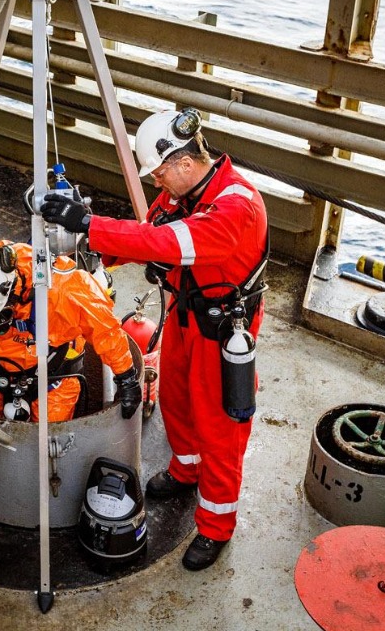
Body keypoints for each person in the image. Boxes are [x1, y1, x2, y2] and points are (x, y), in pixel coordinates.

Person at [40, 108, 269, 571]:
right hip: (185, 315)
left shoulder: (237, 205)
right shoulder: (181, 194)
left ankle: (216, 525)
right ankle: (186, 470)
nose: (156, 183)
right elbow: (149, 234)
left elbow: (171, 244)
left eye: (159, 173)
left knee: (221, 428)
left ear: (184, 162)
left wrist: (91, 224)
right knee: (175, 399)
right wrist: (90, 250)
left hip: (222, 330)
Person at [0, 237, 141, 423]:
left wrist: (127, 379)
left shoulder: (68, 289)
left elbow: (107, 332)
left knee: (49, 438)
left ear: (11, 289)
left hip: (54, 381)